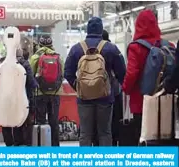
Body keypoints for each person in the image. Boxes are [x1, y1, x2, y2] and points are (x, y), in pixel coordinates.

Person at [64, 17, 126, 146]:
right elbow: (122, 72)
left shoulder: (76, 48)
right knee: (105, 133)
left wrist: (78, 86)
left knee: (85, 133)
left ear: (87, 30)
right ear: (101, 29)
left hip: (84, 98)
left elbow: (67, 73)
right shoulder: (111, 48)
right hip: (105, 97)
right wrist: (113, 88)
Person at [122, 9, 163, 145]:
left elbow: (132, 72)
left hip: (141, 101)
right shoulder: (167, 46)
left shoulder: (135, 47)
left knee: (142, 135)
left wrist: (125, 89)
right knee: (160, 137)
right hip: (163, 101)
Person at [0, 48, 37, 146]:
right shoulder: (24, 64)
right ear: (21, 55)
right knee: (17, 118)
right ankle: (17, 143)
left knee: (4, 119)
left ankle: (8, 143)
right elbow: (31, 82)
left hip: (3, 97)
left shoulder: (1, 63)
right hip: (19, 97)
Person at [29, 35, 64, 146]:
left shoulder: (35, 57)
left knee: (40, 121)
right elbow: (62, 75)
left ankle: (41, 146)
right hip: (55, 93)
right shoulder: (58, 57)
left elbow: (30, 75)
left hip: (40, 93)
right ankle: (55, 147)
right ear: (51, 45)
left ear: (39, 44)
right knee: (54, 122)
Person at [93, 30, 124, 146]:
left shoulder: (92, 50)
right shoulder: (113, 49)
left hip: (94, 93)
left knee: (97, 125)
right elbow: (122, 71)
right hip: (114, 92)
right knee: (112, 124)